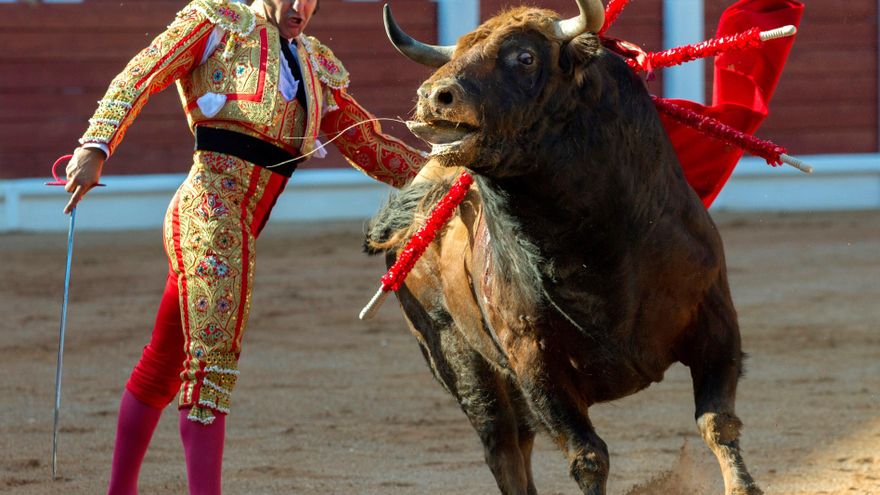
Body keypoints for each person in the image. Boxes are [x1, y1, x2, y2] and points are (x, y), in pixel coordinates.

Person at [62, 0, 425, 493]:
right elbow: (141, 73)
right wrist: (95, 144)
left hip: (239, 227)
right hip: (210, 214)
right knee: (212, 368)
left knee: (164, 364)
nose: (299, 6)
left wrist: (448, 176)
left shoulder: (315, 64)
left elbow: (369, 145)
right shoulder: (218, 24)